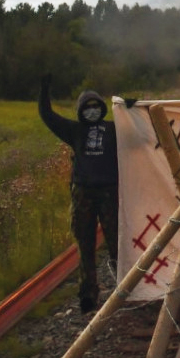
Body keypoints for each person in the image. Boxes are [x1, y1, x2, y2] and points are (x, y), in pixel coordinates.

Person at [39, 74, 120, 314]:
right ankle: (88, 294)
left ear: (102, 108)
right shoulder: (74, 130)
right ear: (80, 111)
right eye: (88, 107)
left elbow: (142, 131)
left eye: (96, 106)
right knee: (85, 244)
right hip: (83, 193)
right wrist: (44, 90)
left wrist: (133, 110)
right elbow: (48, 116)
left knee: (117, 242)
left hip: (108, 191)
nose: (92, 111)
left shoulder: (115, 129)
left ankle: (125, 288)